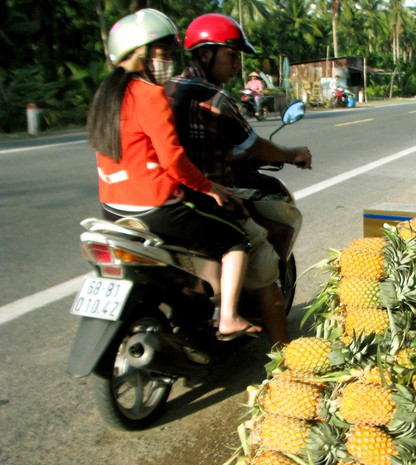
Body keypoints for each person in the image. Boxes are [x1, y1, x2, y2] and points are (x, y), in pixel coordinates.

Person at [86, 8, 262, 342]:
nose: (166, 62)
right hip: (157, 208)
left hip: (112, 208)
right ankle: (228, 317)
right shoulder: (150, 95)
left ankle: (192, 311)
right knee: (235, 240)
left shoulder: (106, 97)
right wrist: (209, 187)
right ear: (140, 55)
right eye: (162, 54)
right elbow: (173, 159)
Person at [165, 13, 312, 345]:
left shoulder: (165, 89)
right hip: (208, 199)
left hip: (165, 200)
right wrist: (291, 154)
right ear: (205, 54)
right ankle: (283, 361)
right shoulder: (216, 100)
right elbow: (256, 145)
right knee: (264, 263)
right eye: (231, 56)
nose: (236, 65)